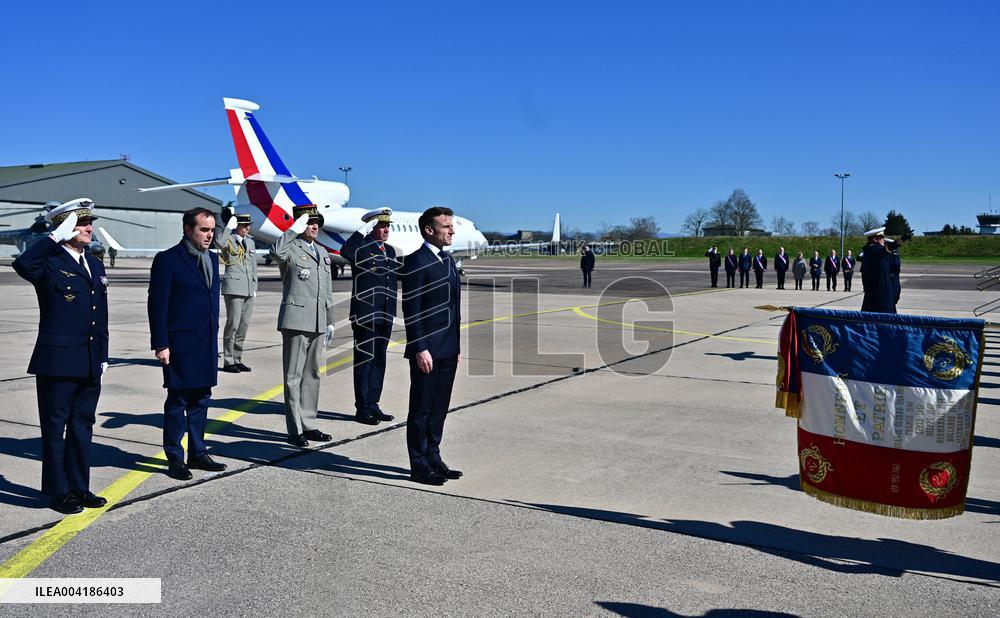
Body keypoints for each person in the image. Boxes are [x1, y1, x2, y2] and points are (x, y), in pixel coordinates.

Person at [13, 199, 110, 514]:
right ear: (64, 226)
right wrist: (54, 237)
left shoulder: (94, 263)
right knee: (55, 428)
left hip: (89, 358)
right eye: (81, 224)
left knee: (83, 425)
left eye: (89, 223)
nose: (89, 228)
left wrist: (103, 354)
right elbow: (22, 265)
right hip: (57, 360)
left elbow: (101, 315)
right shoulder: (49, 262)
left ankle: (79, 487)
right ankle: (58, 492)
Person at [148, 207, 227, 480]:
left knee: (202, 399)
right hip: (179, 343)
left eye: (212, 229)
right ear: (187, 229)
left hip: (205, 343)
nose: (209, 235)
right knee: (178, 400)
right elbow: (157, 305)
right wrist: (161, 344)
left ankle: (198, 452)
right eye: (204, 230)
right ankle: (175, 456)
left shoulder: (212, 259)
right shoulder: (168, 260)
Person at [401, 206, 463, 486]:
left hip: (448, 348)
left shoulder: (448, 261)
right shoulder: (416, 261)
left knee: (439, 407)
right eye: (446, 226)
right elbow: (411, 309)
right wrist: (419, 347)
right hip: (427, 350)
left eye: (452, 226)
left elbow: (454, 308)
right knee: (421, 409)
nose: (451, 230)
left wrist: (456, 346)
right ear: (429, 230)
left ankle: (433, 456)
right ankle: (418, 463)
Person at [272, 205, 336, 447]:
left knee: (312, 375)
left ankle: (309, 424)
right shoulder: (290, 248)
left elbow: (327, 291)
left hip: (318, 321)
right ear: (300, 224)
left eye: (317, 222)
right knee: (293, 376)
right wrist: (292, 229)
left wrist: (330, 321)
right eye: (310, 222)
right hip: (296, 320)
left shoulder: (321, 251)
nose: (315, 226)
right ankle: (295, 429)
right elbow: (277, 252)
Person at [340, 207, 400, 426]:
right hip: (365, 314)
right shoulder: (361, 248)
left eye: (387, 226)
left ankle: (374, 404)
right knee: (365, 361)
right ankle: (362, 408)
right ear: (371, 227)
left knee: (379, 361)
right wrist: (360, 232)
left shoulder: (390, 251)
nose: (385, 230)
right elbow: (345, 251)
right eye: (381, 225)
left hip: (385, 314)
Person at [216, 210, 258, 373]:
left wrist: (255, 287)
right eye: (244, 225)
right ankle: (228, 360)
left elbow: (253, 267)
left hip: (248, 289)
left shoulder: (251, 243)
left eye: (248, 225)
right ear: (237, 226)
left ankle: (237, 358)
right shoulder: (229, 240)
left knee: (243, 326)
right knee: (232, 325)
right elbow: (218, 243)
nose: (247, 228)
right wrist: (228, 228)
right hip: (234, 288)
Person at [860, 227, 908, 313]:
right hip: (878, 293)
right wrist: (901, 239)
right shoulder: (872, 250)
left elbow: (895, 267)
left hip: (883, 291)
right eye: (882, 237)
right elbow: (888, 248)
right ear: (875, 239)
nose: (884, 240)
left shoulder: (879, 251)